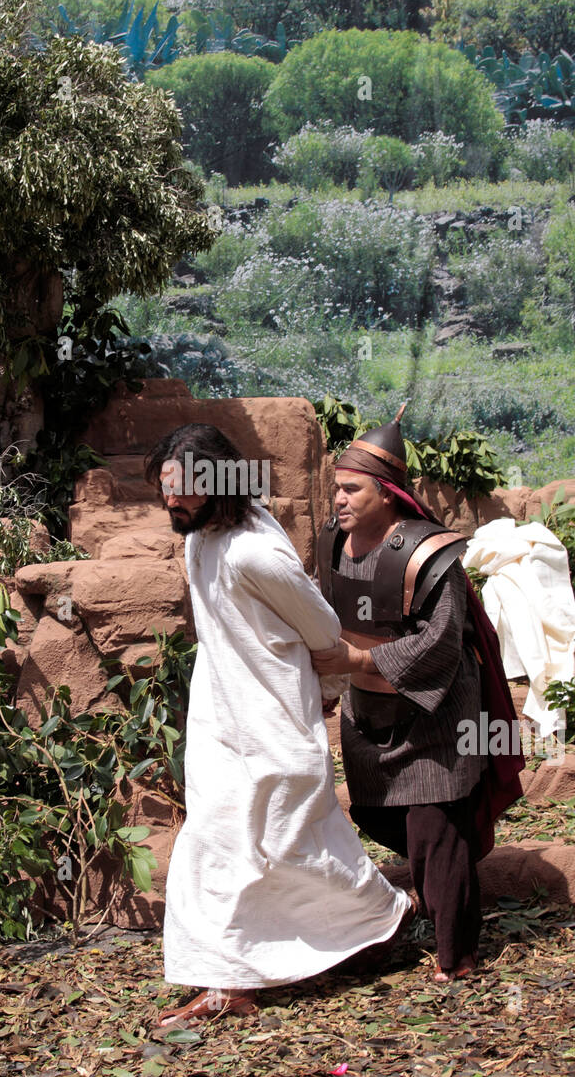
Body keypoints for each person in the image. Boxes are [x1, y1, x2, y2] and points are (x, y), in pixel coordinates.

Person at [145, 422, 414, 1025]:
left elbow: (322, 630)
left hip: (270, 727)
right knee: (220, 842)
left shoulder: (254, 552)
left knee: (288, 847)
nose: (172, 502)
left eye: (183, 491)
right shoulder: (203, 535)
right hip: (221, 724)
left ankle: (377, 923)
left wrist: (323, 694)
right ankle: (234, 980)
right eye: (165, 489)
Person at [311, 406, 524, 982]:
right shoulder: (335, 542)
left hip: (434, 719)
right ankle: (418, 915)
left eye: (352, 489)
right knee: (392, 822)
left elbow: (443, 642)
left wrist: (362, 658)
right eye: (336, 488)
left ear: (387, 494)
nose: (340, 499)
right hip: (368, 712)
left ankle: (458, 955)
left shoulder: (431, 555)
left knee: (438, 833)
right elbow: (321, 604)